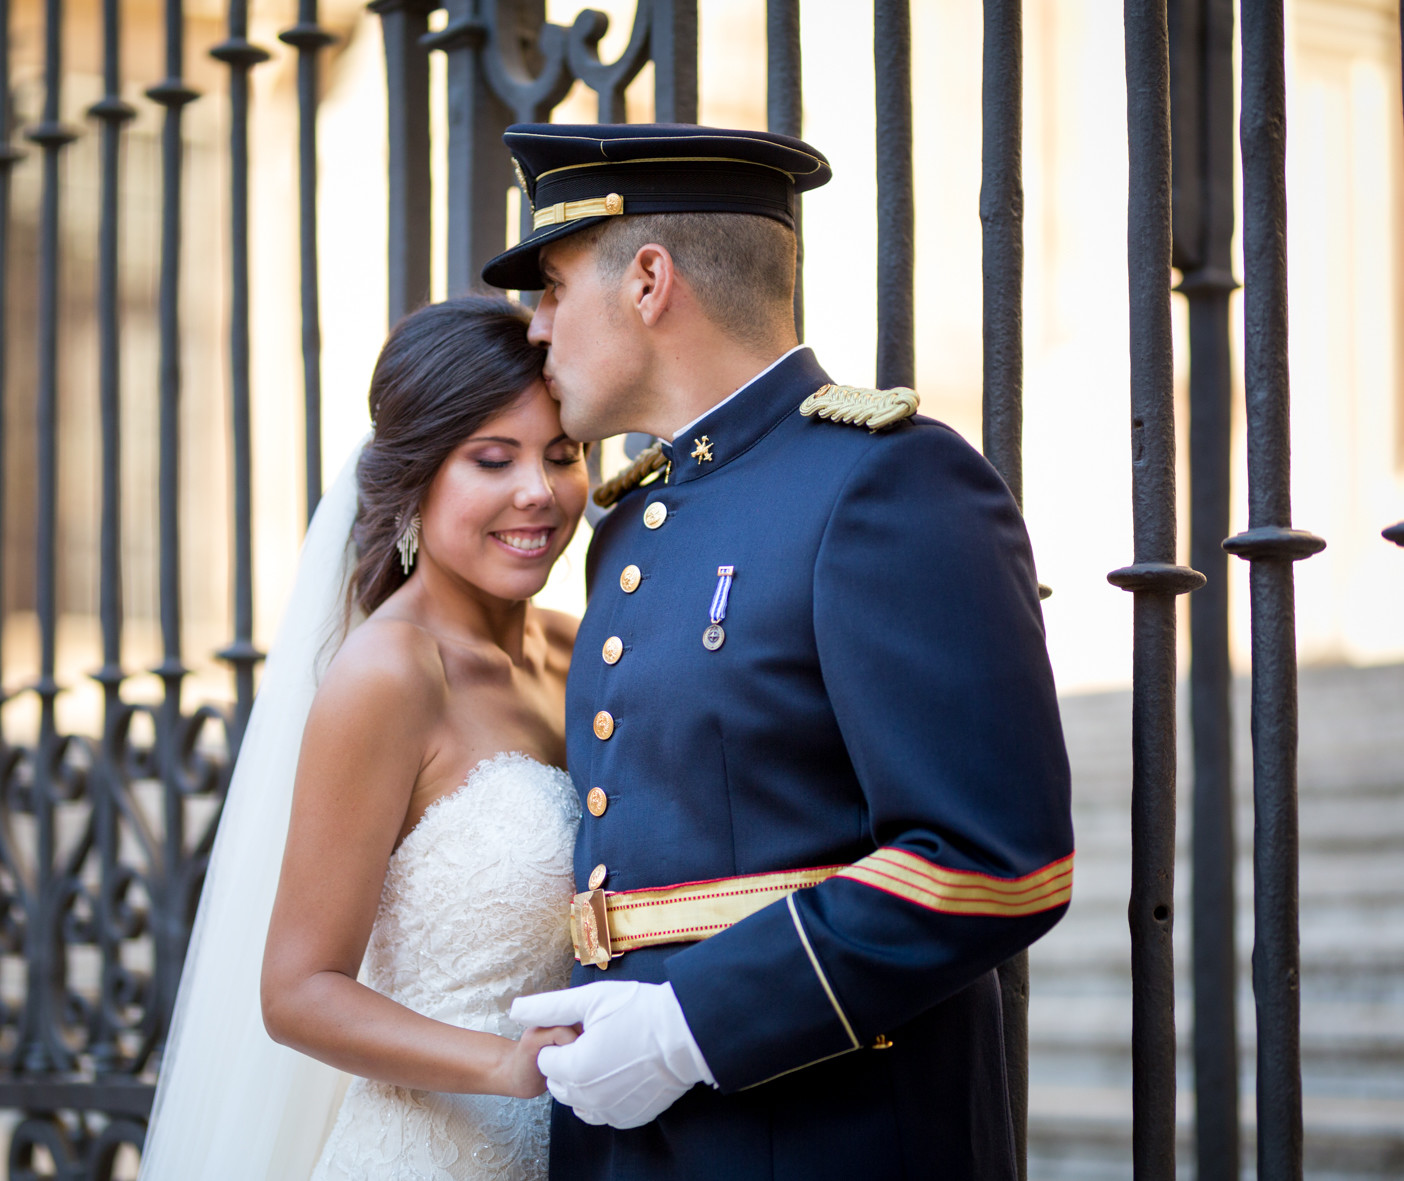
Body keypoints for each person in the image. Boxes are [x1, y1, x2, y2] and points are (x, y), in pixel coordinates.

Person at [492, 123, 1075, 1180]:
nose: (533, 329)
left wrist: (687, 1028)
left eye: (552, 287)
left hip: (825, 1129)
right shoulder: (630, 523)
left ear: (648, 281)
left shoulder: (884, 484)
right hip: (625, 1130)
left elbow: (993, 855)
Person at [139, 297, 590, 1180]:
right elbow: (299, 993)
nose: (538, 489)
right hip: (435, 1149)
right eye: (492, 459)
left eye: (562, 454)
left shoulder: (581, 650)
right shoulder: (389, 674)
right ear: (417, 479)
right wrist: (504, 1065)